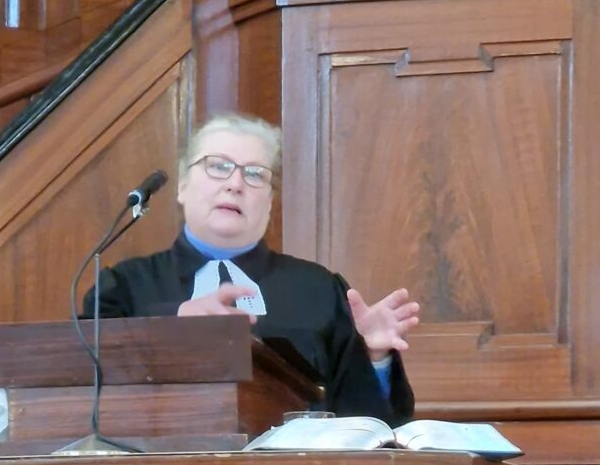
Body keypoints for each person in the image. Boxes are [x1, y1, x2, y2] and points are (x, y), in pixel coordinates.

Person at [83, 114, 418, 426]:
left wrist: (372, 358)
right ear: (182, 185)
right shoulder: (122, 288)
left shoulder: (319, 290)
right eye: (218, 166)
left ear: (270, 201)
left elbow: (366, 428)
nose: (235, 184)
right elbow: (83, 389)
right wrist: (173, 321)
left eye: (255, 174)